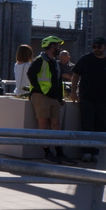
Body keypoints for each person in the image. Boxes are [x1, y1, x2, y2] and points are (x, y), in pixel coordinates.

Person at [27, 36, 76, 165]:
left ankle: (59, 153)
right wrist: (39, 90)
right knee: (43, 123)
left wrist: (60, 97)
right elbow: (30, 74)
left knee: (55, 124)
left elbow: (58, 81)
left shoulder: (55, 62)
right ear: (52, 46)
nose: (60, 48)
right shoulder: (39, 60)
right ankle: (47, 153)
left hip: (54, 97)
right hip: (41, 96)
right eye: (58, 46)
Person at [71, 37, 106, 163]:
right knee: (86, 125)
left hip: (104, 100)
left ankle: (97, 152)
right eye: (94, 47)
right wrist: (73, 92)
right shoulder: (85, 59)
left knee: (101, 127)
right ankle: (86, 152)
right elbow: (75, 75)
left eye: (99, 47)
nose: (96, 49)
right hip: (87, 98)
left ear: (105, 47)